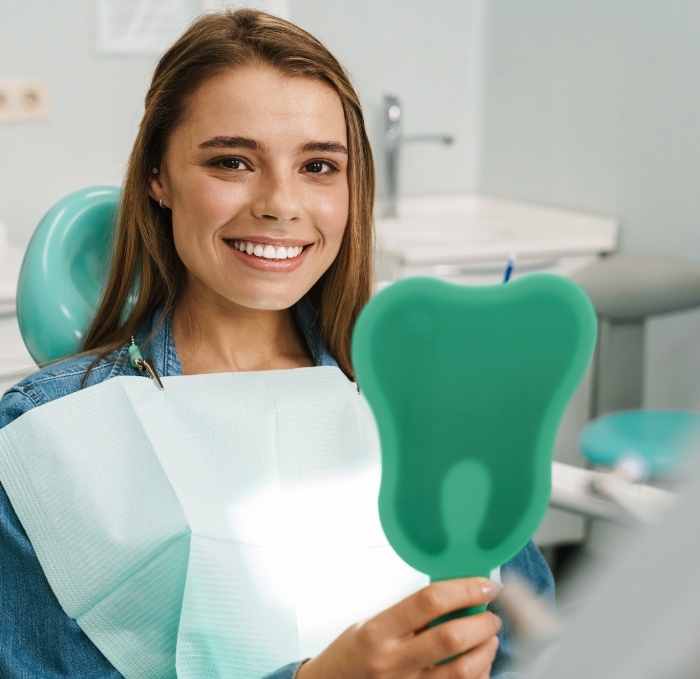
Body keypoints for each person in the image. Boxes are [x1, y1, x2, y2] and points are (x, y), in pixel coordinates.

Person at [0, 9, 553, 679]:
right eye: (233, 161)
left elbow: (532, 641)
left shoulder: (423, 404)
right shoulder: (47, 435)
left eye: (319, 165)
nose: (281, 204)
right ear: (158, 176)